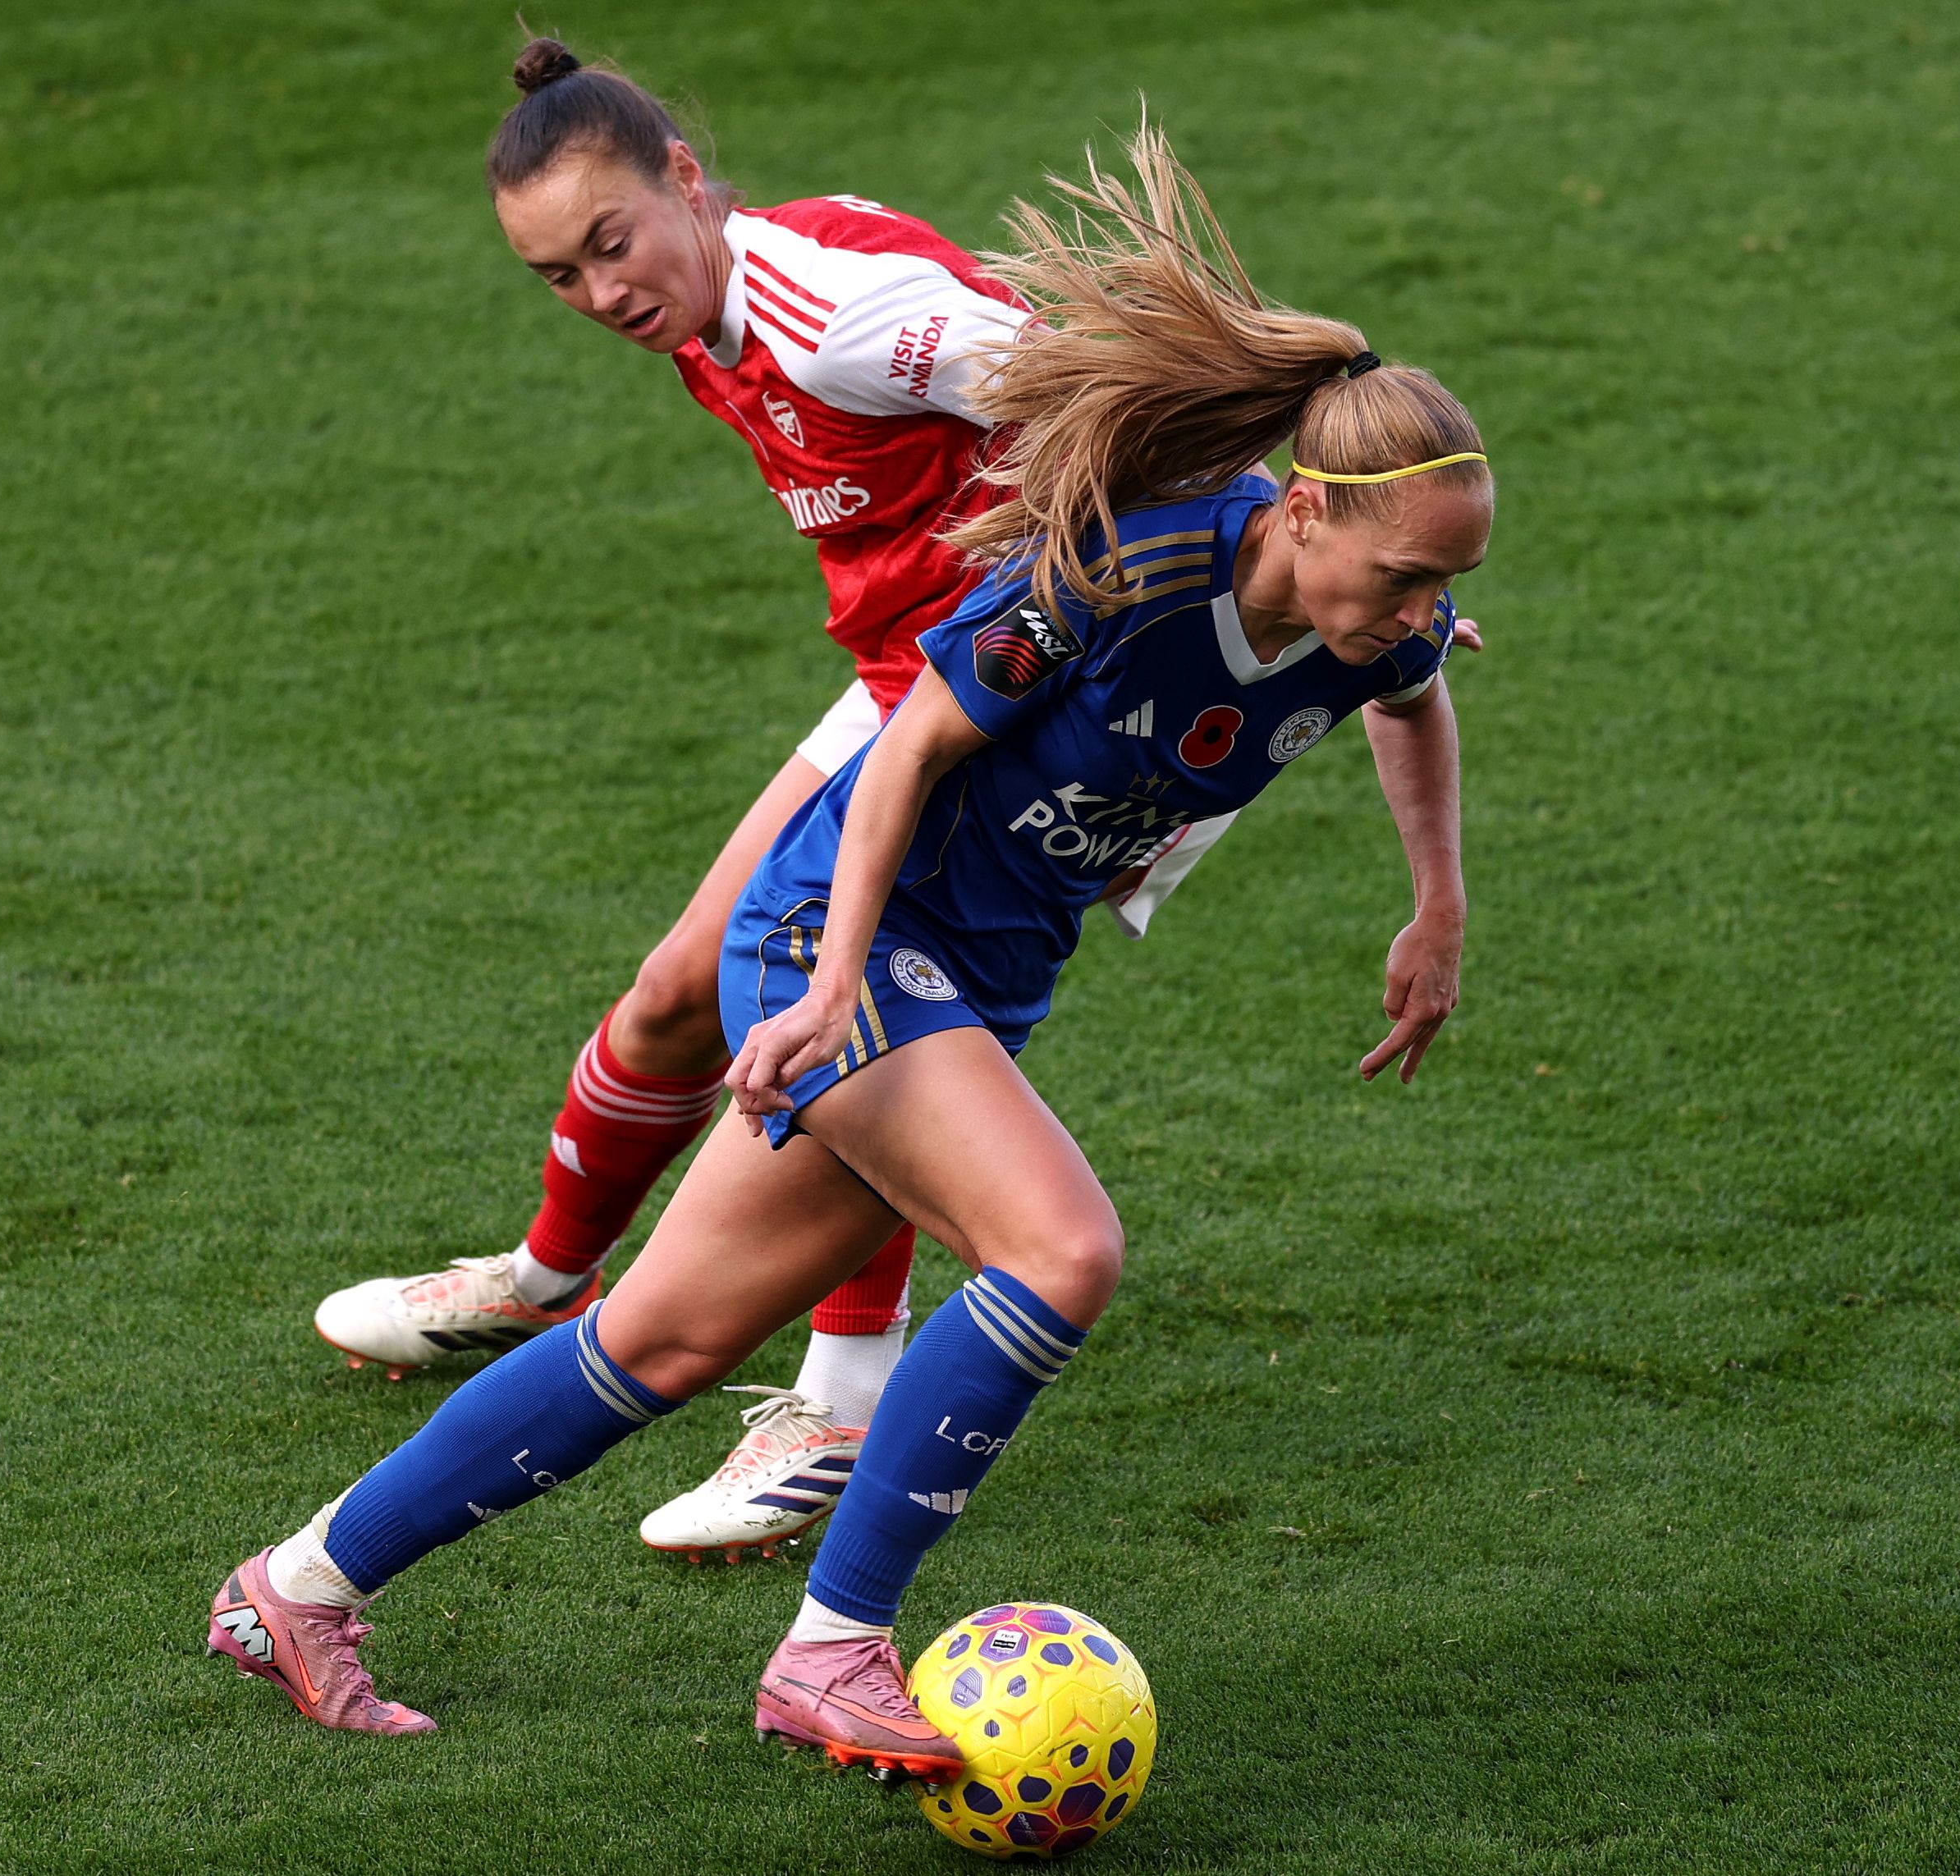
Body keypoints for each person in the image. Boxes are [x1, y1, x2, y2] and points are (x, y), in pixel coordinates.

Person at [208, 126, 1491, 1750]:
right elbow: (900, 757)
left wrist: (1436, 903)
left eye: (1444, 580)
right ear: (1302, 511)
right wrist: (826, 986)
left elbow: (1415, 698)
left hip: (979, 976)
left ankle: (294, 1587)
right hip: (849, 941)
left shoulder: (1371, 620)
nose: (1422, 609)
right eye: (1405, 574)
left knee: (659, 1340)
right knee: (1062, 1250)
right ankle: (831, 1649)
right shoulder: (1131, 571)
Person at [307, 38, 1300, 1563]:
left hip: (993, 697)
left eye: (612, 243)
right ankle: (551, 1281)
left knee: (850, 999)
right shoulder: (714, 310)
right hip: (908, 668)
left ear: (686, 180)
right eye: (558, 276)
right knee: (679, 998)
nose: (600, 293)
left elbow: (1108, 389)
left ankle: (835, 1394)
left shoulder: (832, 321)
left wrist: (1303, 557)